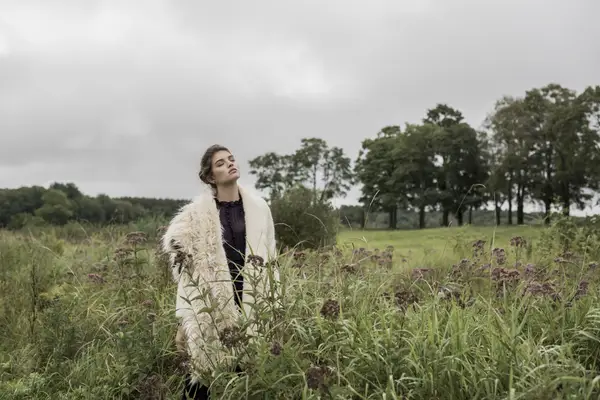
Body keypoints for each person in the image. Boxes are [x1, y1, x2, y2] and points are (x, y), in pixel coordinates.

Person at [161, 144, 279, 399]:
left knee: (244, 379)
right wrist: (185, 318)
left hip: (251, 297)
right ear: (210, 177)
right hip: (212, 303)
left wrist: (275, 303)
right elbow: (186, 275)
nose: (230, 164)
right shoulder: (195, 217)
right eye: (221, 163)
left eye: (231, 159)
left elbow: (271, 257)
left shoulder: (259, 208)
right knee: (200, 379)